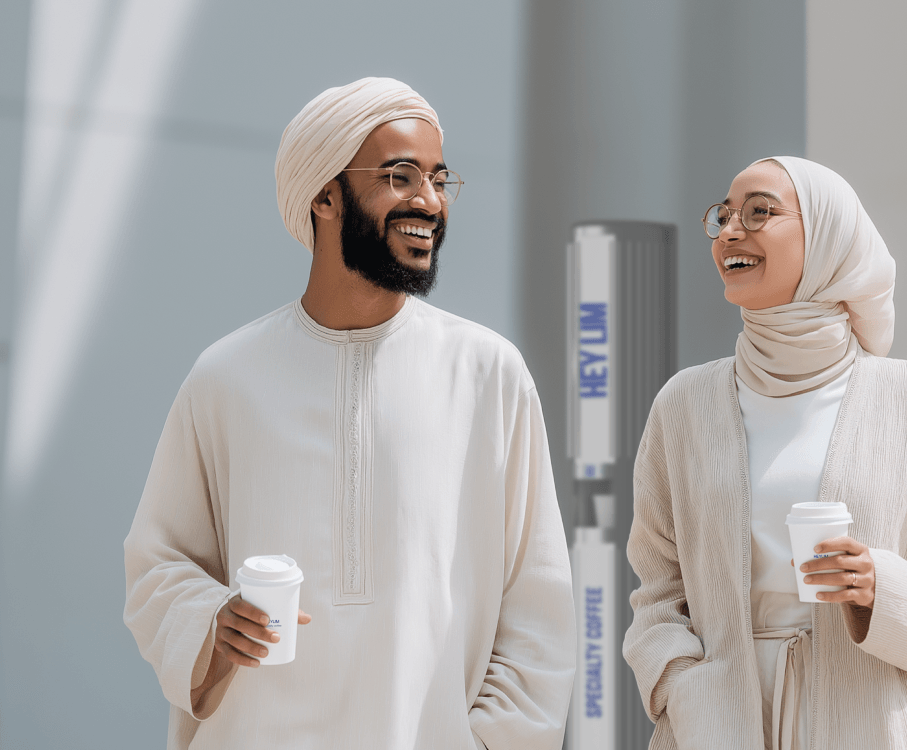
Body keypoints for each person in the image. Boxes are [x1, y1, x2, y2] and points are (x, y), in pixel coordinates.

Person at [123, 77, 576, 750]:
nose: (428, 201)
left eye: (439, 180)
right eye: (400, 176)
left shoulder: (487, 374)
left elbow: (538, 605)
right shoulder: (228, 377)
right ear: (324, 195)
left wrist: (486, 742)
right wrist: (212, 624)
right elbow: (158, 565)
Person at [622, 156, 907, 750]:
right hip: (716, 729)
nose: (730, 231)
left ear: (830, 237)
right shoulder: (685, 404)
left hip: (876, 727)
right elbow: (656, 588)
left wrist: (881, 589)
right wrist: (685, 690)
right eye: (723, 215)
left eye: (759, 212)